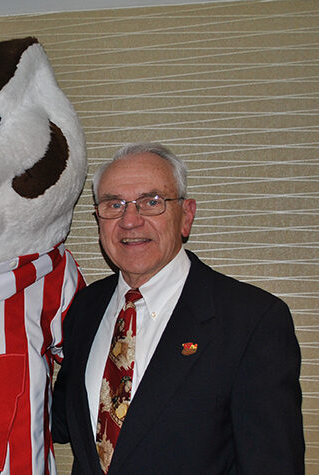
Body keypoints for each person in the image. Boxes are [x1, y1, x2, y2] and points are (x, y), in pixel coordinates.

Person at [51, 142, 304, 474]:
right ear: (99, 219)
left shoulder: (252, 321)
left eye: (151, 202)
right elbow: (65, 422)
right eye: (114, 204)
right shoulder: (84, 308)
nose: (130, 220)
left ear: (186, 216)